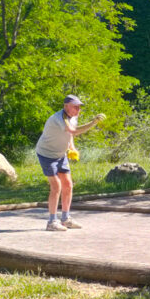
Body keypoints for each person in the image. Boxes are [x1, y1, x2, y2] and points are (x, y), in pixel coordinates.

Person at [35, 95, 105, 231]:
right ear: (66, 106)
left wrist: (71, 147)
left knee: (68, 185)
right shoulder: (58, 118)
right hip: (47, 154)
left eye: (79, 107)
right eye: (75, 106)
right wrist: (93, 123)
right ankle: (51, 222)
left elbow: (70, 135)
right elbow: (73, 131)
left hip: (61, 155)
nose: (78, 109)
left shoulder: (73, 117)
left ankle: (66, 219)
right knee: (56, 186)